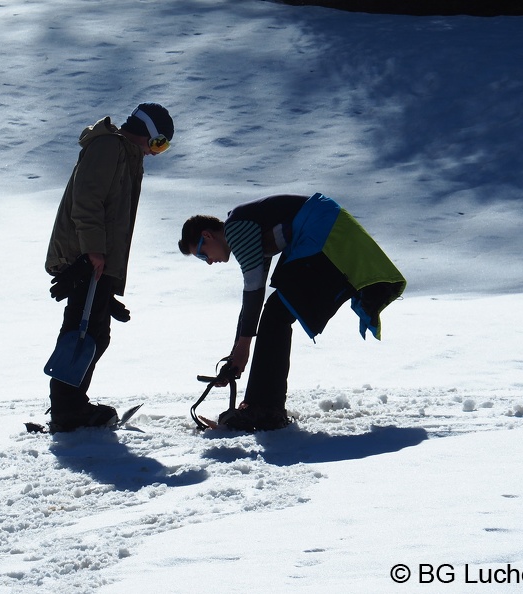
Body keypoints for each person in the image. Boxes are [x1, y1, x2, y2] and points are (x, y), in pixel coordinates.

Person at [178, 193, 406, 432]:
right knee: (276, 313)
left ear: (207, 235)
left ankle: (264, 409)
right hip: (323, 228)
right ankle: (264, 407)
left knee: (276, 314)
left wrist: (243, 348)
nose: (208, 262)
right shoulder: (246, 230)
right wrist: (237, 352)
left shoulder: (235, 229)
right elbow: (252, 301)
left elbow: (254, 291)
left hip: (322, 231)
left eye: (202, 254)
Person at [44, 102, 174, 433]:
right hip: (86, 257)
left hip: (97, 259)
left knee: (95, 333)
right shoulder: (107, 147)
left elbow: (114, 215)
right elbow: (88, 200)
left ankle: (71, 405)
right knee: (81, 332)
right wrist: (93, 251)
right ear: (145, 132)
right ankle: (66, 410)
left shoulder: (124, 155)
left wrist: (109, 281)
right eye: (158, 143)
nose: (157, 153)